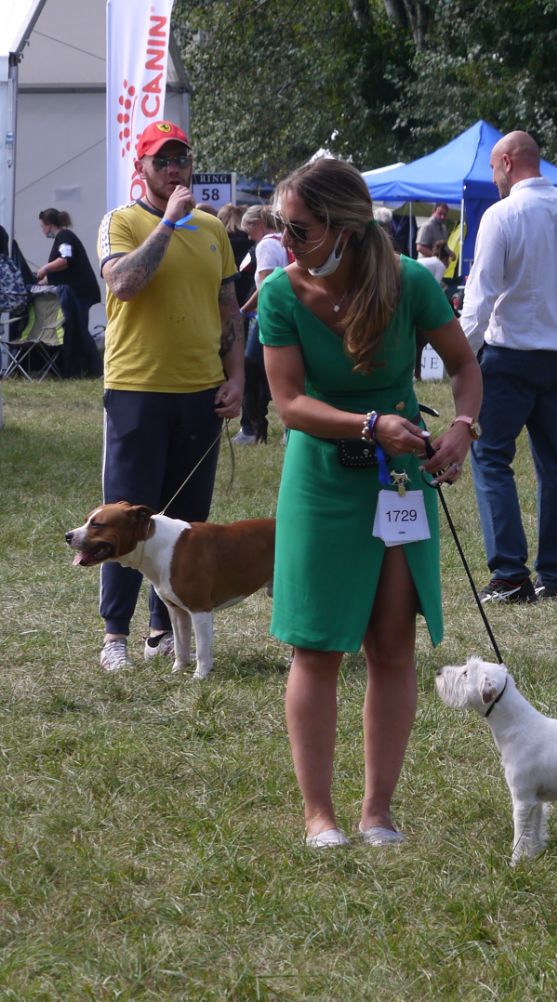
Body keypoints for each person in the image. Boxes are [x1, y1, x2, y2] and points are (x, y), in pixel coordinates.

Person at [258, 157, 481, 848]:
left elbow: (465, 365)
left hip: (399, 480)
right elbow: (289, 404)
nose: (285, 240)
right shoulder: (279, 293)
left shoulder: (411, 282)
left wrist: (461, 428)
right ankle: (318, 816)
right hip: (322, 480)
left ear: (345, 229)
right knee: (317, 646)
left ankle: (377, 812)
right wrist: (368, 424)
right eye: (281, 225)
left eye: (299, 228)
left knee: (391, 645)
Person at [95, 120, 244, 672]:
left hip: (199, 391)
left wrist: (237, 377)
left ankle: (163, 630)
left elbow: (228, 309)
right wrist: (167, 223)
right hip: (137, 387)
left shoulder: (212, 229)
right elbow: (124, 284)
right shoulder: (121, 221)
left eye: (182, 159)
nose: (175, 169)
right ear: (141, 168)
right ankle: (115, 635)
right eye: (162, 160)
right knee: (122, 515)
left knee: (184, 521)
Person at [460, 130, 557, 603]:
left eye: (494, 168)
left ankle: (510, 574)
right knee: (554, 466)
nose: (494, 178)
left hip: (509, 356)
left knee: (491, 458)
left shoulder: (501, 214)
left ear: (507, 162)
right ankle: (553, 577)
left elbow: (480, 297)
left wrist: (460, 357)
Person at [232, 205, 289, 444]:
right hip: (289, 315)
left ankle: (250, 429)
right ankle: (288, 430)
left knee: (249, 371)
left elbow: (267, 286)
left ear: (258, 224)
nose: (248, 237)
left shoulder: (265, 245)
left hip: (268, 317)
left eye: (248, 230)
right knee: (286, 374)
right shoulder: (284, 240)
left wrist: (243, 310)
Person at [36, 208, 102, 341]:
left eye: (42, 226)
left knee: (78, 331)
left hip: (80, 293)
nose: (42, 230)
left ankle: (86, 353)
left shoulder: (64, 236)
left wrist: (45, 268)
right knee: (76, 330)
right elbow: (63, 271)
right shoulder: (62, 238)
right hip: (78, 292)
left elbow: (65, 260)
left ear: (49, 225)